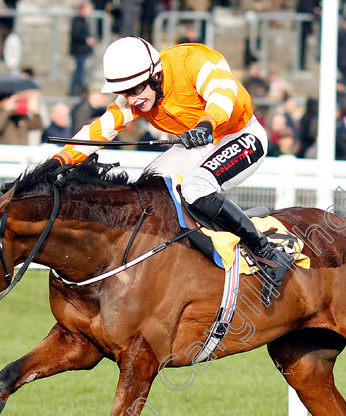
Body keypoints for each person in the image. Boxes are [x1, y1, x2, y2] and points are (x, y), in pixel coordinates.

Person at [49, 37, 293, 304]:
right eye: (125, 93)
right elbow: (101, 129)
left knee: (195, 188)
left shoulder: (192, 62)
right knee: (150, 187)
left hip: (241, 135)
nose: (132, 98)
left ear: (155, 76)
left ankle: (268, 253)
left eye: (135, 90)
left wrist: (206, 125)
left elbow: (222, 96)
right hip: (201, 141)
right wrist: (60, 159)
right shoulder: (138, 93)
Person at [69, 2, 95, 96]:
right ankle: (76, 90)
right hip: (79, 51)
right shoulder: (78, 21)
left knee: (80, 71)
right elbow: (76, 34)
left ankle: (76, 90)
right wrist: (86, 39)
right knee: (79, 72)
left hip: (81, 50)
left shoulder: (83, 21)